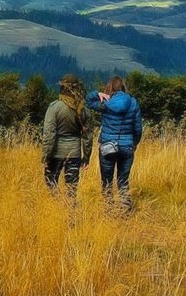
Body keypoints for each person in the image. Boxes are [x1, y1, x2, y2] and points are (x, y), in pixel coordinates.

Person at [86, 75, 142, 213]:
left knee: (107, 181)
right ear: (123, 87)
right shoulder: (133, 103)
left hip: (107, 145)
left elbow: (87, 101)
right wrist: (134, 142)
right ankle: (125, 211)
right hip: (127, 145)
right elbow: (138, 127)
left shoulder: (106, 103)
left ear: (110, 87)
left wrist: (98, 94)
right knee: (123, 180)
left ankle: (108, 210)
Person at [42, 74, 93, 204]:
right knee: (72, 188)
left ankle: (57, 206)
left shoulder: (55, 107)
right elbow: (87, 135)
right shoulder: (84, 109)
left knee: (50, 181)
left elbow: (49, 133)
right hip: (74, 153)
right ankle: (70, 215)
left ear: (63, 88)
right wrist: (86, 157)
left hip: (55, 153)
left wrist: (46, 155)